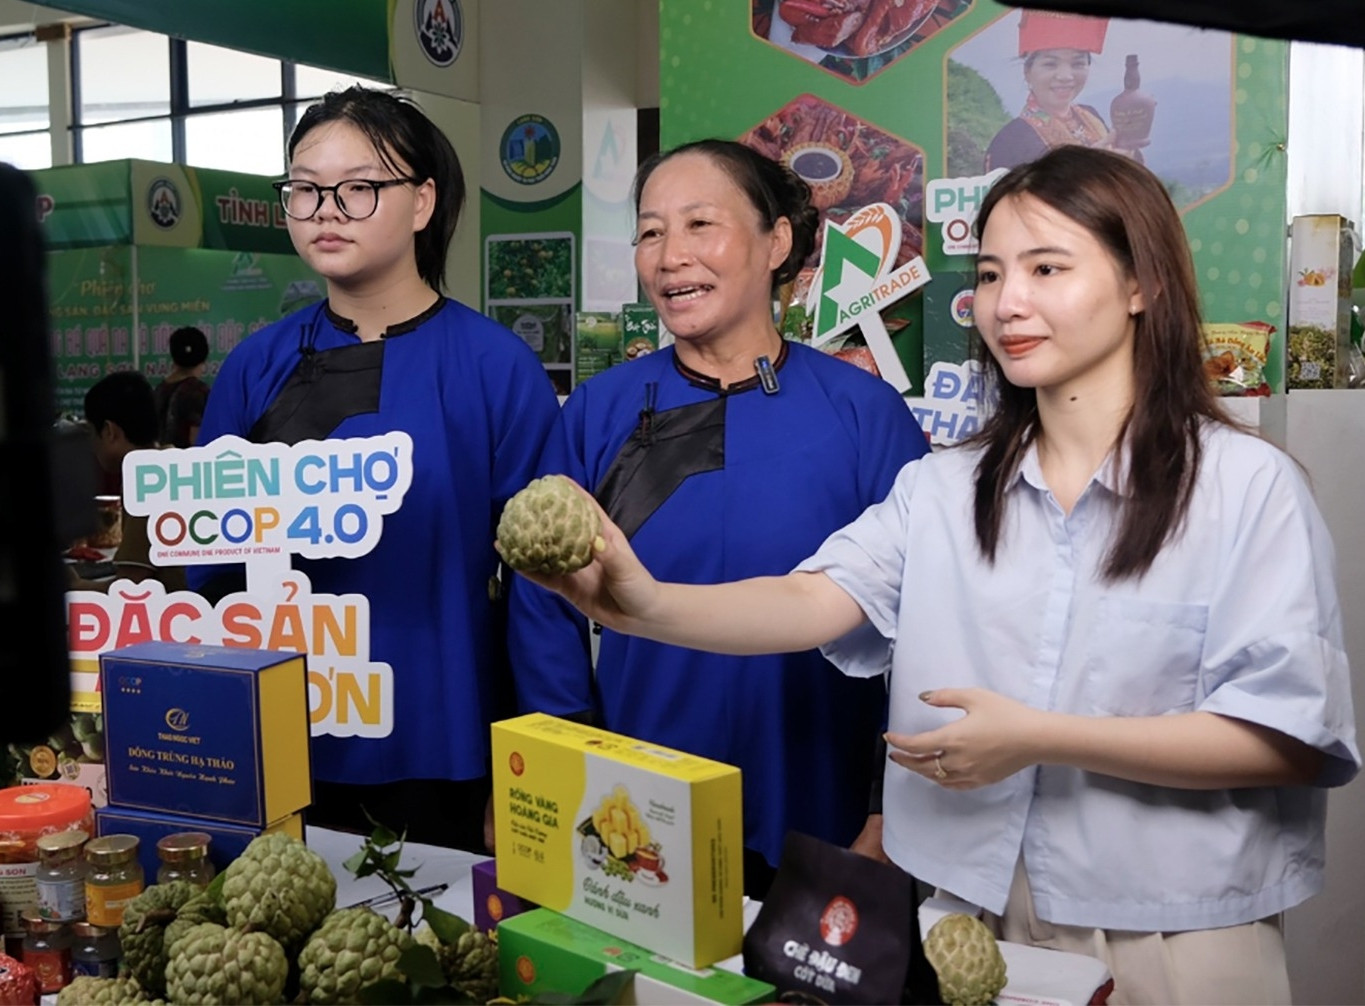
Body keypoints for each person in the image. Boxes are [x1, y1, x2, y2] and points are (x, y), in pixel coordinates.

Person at [518, 146, 1359, 1003]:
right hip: (961, 920)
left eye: (1046, 267)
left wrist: (1039, 736)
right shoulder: (945, 487)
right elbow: (812, 598)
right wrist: (643, 604)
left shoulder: (1245, 488)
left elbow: (1286, 737)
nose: (1007, 303)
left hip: (1173, 930)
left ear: (1140, 283)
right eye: (990, 274)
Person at [509, 139, 929, 898]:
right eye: (649, 231)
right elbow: (544, 602)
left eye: (700, 224)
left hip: (820, 799)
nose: (670, 256)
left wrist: (888, 804)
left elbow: (923, 627)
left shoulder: (863, 412)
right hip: (635, 802)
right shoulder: (601, 411)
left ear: (777, 242)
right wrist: (560, 759)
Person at [193, 87, 560, 853]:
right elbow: (210, 567)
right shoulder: (256, 366)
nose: (326, 209)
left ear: (422, 202)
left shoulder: (497, 368)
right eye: (304, 188)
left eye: (359, 187)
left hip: (442, 745)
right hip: (280, 741)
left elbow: (542, 588)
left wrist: (541, 768)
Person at [70, 370, 186, 593]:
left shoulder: (146, 479)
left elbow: (130, 586)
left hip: (172, 617)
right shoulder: (171, 462)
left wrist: (78, 585)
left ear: (109, 431)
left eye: (92, 434)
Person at [985, 12, 1129, 172]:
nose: (1066, 76)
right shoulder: (1010, 140)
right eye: (1050, 64)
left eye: (1077, 63)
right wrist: (1088, 168)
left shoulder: (1091, 115)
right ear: (1028, 72)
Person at [154, 325, 211, 449]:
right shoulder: (199, 392)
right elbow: (197, 441)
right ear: (204, 358)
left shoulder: (158, 390)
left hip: (158, 463)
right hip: (184, 465)